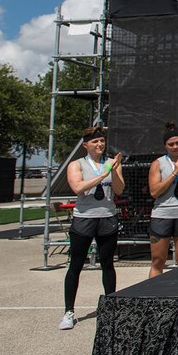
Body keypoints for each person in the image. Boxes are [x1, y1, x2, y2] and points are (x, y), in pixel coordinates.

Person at [59, 127, 125, 330]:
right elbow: (78, 188)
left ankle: (111, 306)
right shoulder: (76, 165)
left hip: (107, 218)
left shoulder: (111, 163)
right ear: (86, 144)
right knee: (76, 265)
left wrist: (112, 170)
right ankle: (69, 311)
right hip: (84, 219)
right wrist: (102, 174)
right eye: (95, 141)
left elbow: (119, 189)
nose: (100, 145)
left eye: (102, 141)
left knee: (108, 264)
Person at [148, 123, 178, 277]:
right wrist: (174, 173)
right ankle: (153, 297)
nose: (175, 147)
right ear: (165, 146)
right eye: (171, 144)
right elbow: (155, 191)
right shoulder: (158, 164)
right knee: (158, 261)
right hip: (162, 215)